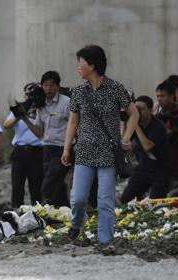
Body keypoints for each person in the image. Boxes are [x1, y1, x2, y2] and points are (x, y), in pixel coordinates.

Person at [62, 44, 139, 243]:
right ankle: (77, 222)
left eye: (81, 63)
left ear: (92, 66)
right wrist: (66, 148)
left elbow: (134, 114)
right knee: (78, 199)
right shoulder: (78, 92)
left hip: (109, 153)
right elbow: (72, 121)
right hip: (85, 151)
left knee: (105, 200)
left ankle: (105, 240)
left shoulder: (116, 88)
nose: (78, 67)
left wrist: (126, 139)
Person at [23, 71, 72, 207]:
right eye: (45, 85)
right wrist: (25, 119)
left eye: (51, 85)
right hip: (47, 149)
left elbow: (75, 125)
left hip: (62, 149)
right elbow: (39, 132)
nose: (48, 89)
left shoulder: (66, 103)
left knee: (47, 185)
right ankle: (65, 212)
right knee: (58, 184)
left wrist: (75, 145)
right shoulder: (40, 104)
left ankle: (47, 213)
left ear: (58, 86)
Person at [120, 96, 171, 203]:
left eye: (141, 109)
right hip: (143, 168)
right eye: (136, 109)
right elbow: (124, 143)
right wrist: (124, 122)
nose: (138, 112)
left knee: (156, 202)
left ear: (150, 110)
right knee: (126, 198)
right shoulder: (137, 124)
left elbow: (147, 146)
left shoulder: (158, 126)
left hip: (160, 170)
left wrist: (135, 123)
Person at [3, 83, 44, 208]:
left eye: (32, 94)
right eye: (27, 94)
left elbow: (40, 133)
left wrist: (28, 118)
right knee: (17, 187)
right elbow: (6, 125)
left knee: (36, 187)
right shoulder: (20, 107)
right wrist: (19, 115)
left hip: (37, 152)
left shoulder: (42, 109)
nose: (28, 97)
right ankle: (16, 214)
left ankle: (39, 215)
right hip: (19, 152)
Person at [154, 82, 178, 182]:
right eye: (157, 96)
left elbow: (166, 134)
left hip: (172, 164)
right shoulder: (161, 113)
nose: (159, 99)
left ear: (172, 96)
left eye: (162, 96)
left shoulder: (177, 113)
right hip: (160, 164)